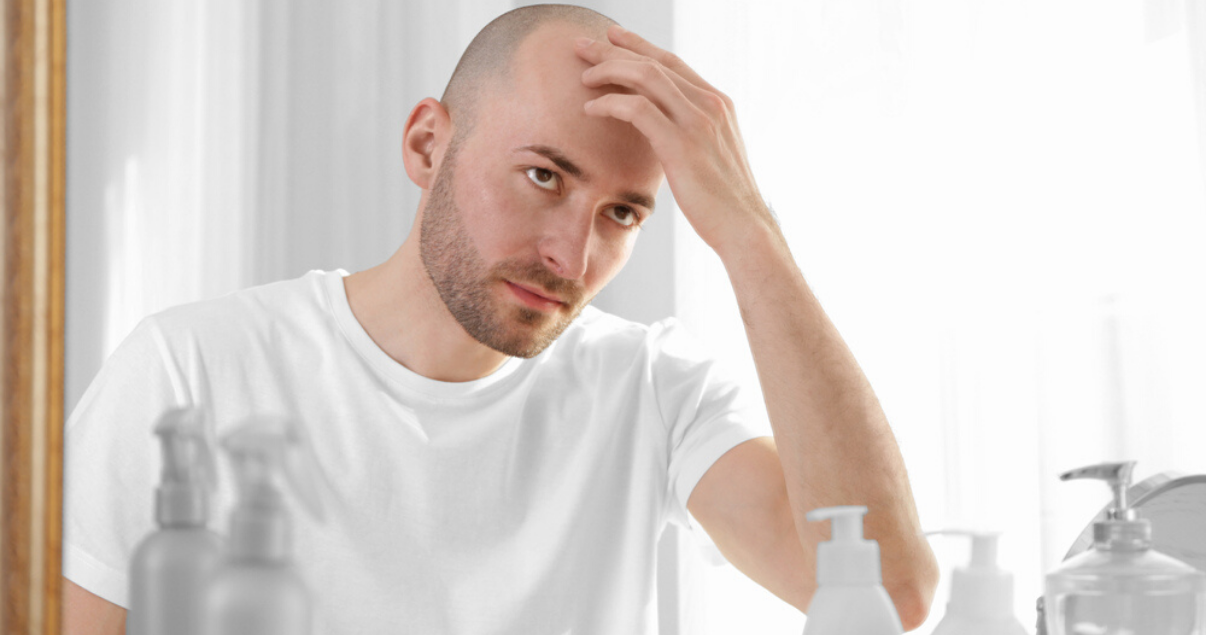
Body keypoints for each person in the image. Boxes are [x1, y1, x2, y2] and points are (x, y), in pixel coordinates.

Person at [62, 4, 938, 634]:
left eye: (622, 214)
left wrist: (750, 233)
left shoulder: (653, 393)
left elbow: (887, 593)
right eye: (545, 176)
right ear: (426, 145)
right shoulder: (190, 371)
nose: (573, 254)